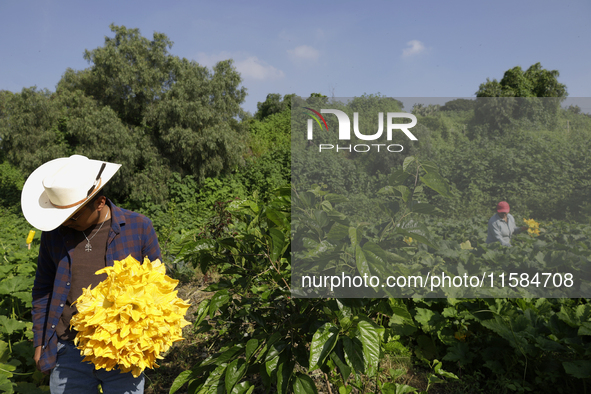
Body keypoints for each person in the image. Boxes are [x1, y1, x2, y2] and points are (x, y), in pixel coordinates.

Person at [21, 155, 162, 394]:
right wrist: (40, 342)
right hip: (68, 348)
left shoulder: (139, 226)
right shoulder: (54, 234)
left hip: (123, 348)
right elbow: (43, 289)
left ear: (99, 203)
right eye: (61, 216)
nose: (65, 223)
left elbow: (157, 287)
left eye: (73, 216)